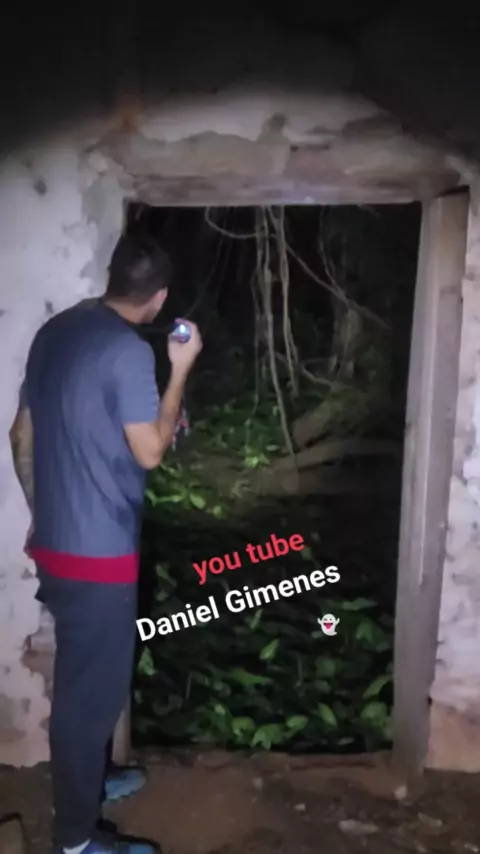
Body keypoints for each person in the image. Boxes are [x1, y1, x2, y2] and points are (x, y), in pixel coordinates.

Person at [9, 234, 202, 854]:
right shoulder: (127, 351)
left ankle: (88, 782)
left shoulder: (56, 332)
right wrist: (179, 370)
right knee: (88, 699)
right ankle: (76, 840)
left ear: (113, 276)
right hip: (99, 558)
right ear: (160, 298)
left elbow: (20, 435)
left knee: (85, 678)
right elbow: (149, 451)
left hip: (57, 546)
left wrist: (44, 515)